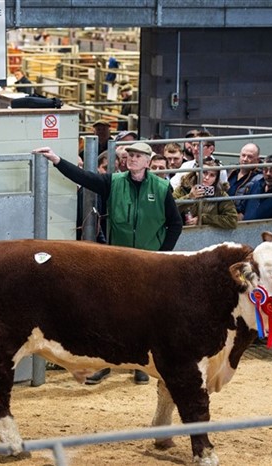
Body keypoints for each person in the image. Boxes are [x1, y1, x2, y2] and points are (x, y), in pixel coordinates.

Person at [35, 142, 182, 386]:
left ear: (148, 161)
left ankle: (141, 365)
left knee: (146, 317)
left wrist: (162, 256)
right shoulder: (113, 182)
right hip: (120, 262)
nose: (132, 159)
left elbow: (175, 224)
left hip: (149, 264)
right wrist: (56, 159)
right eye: (129, 156)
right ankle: (104, 364)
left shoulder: (162, 187)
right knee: (112, 316)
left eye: (138, 156)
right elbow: (83, 176)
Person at [173, 157, 237, 229]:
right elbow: (169, 211)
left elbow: (232, 220)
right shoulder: (183, 188)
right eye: (204, 172)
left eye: (212, 175)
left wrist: (203, 219)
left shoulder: (220, 194)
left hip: (208, 235)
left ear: (216, 179)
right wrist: (189, 197)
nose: (207, 177)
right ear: (197, 172)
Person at [239, 154, 272, 221]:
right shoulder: (255, 185)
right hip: (246, 229)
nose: (268, 173)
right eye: (265, 169)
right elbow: (242, 211)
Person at [228, 142, 263, 214]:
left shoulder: (259, 179)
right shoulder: (231, 172)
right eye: (243, 155)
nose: (245, 159)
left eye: (250, 157)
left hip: (238, 215)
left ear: (257, 160)